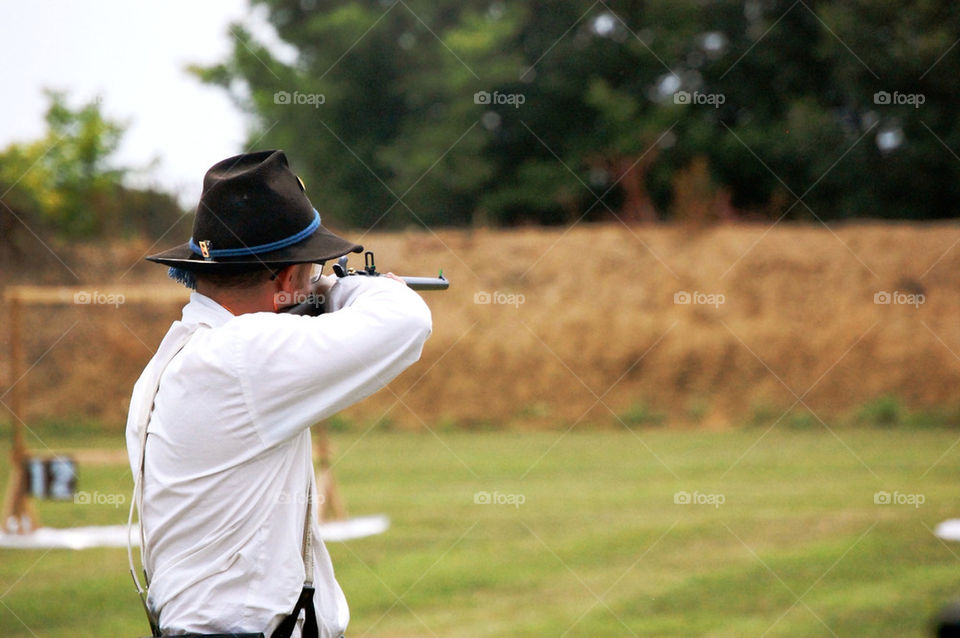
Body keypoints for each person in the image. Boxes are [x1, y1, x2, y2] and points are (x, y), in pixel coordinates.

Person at [125, 150, 432, 637]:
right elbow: (408, 320)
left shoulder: (177, 356)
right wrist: (344, 289)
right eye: (310, 270)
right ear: (289, 279)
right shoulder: (241, 353)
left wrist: (318, 286)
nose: (316, 280)